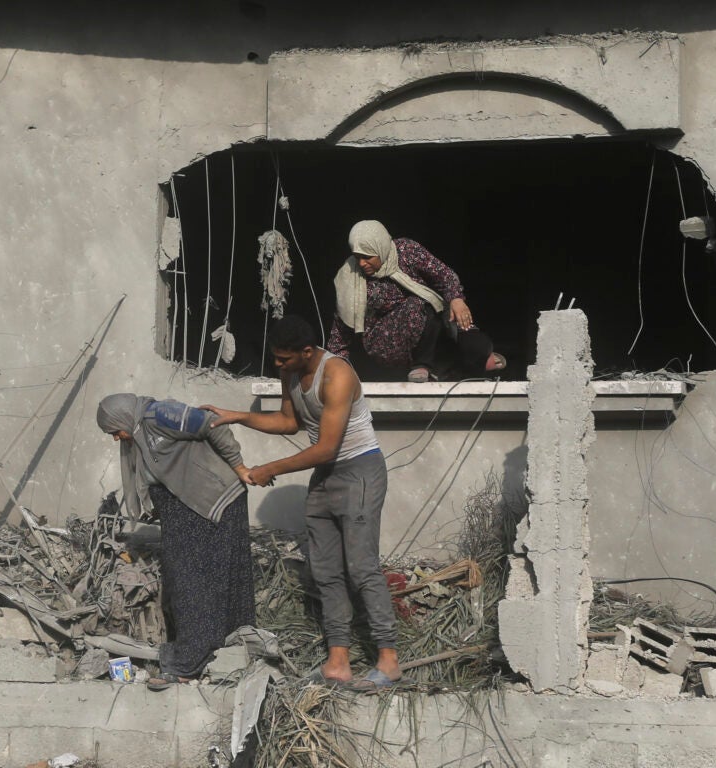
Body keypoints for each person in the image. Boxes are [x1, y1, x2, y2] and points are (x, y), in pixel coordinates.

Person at [202, 315, 404, 690]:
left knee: (360, 567)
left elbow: (326, 447)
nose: (277, 365)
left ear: (307, 352)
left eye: (283, 359)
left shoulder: (337, 375)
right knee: (325, 570)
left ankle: (388, 660)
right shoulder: (291, 372)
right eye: (275, 359)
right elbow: (288, 420)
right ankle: (338, 662)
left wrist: (269, 468)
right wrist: (240, 417)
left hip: (359, 471)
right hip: (326, 475)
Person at [96, 393, 255, 690]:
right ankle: (223, 650)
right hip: (186, 512)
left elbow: (211, 422)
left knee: (194, 583)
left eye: (114, 430)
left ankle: (190, 662)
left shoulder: (160, 415)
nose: (117, 438)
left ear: (123, 418)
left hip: (211, 503)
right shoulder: (142, 432)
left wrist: (240, 466)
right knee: (194, 580)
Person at [328, 219, 505, 383]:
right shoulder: (350, 275)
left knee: (476, 346)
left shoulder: (406, 250)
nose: (362, 263)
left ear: (381, 247)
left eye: (368, 257)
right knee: (420, 304)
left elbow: (443, 274)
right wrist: (336, 365)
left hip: (431, 320)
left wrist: (456, 298)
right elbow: (342, 324)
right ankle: (422, 365)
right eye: (357, 256)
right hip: (386, 340)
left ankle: (464, 365)